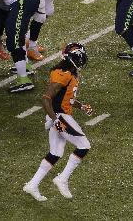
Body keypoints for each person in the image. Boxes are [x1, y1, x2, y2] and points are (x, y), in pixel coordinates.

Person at [23, 43, 94, 201]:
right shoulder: (63, 73)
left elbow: (67, 98)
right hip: (60, 116)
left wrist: (81, 106)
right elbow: (46, 98)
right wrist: (56, 120)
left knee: (55, 153)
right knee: (84, 146)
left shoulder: (70, 73)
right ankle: (62, 179)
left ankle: (32, 184)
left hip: (59, 115)